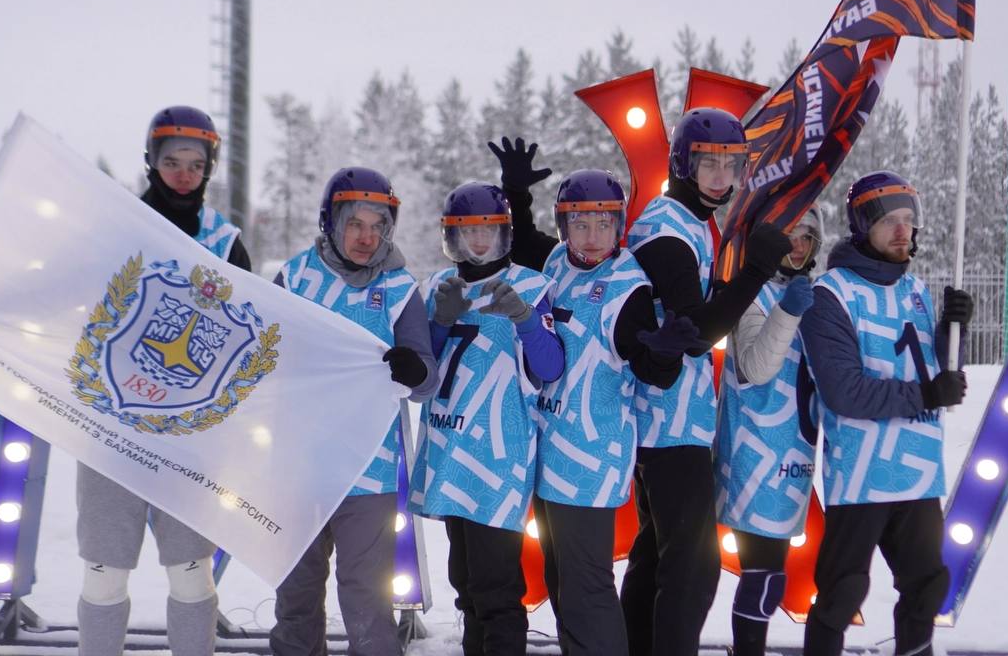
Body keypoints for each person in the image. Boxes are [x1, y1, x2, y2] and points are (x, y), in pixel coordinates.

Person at [489, 137, 710, 655]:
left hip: (590, 456)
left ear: (619, 226)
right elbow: (521, 240)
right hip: (549, 447)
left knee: (587, 586)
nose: (592, 236)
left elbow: (648, 368)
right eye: (581, 224)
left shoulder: (626, 285)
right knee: (563, 581)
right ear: (565, 227)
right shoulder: (558, 263)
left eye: (605, 224)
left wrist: (664, 354)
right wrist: (516, 194)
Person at [77, 105, 251, 656]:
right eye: (171, 161)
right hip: (112, 428)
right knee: (103, 577)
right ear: (152, 162)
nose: (182, 173)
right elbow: (60, 299)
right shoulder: (117, 224)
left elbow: (256, 333)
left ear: (208, 168)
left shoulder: (226, 242)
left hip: (188, 438)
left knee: (192, 576)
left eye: (194, 163)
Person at [617, 108, 792, 656]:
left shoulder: (690, 221)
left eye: (731, 164)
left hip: (673, 414)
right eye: (707, 163)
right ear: (682, 164)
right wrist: (758, 271)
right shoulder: (667, 229)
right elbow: (696, 332)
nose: (721, 176)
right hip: (665, 422)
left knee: (657, 552)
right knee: (693, 566)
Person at [799, 171, 972, 656]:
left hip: (917, 469)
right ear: (861, 226)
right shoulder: (830, 294)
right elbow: (845, 392)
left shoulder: (914, 289)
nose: (902, 231)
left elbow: (931, 372)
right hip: (863, 473)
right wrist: (927, 395)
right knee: (842, 593)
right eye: (888, 221)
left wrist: (951, 332)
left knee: (926, 590)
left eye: (908, 221)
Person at [269, 167, 439, 656]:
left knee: (367, 602)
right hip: (300, 467)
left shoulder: (400, 287)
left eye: (379, 226)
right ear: (331, 222)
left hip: (369, 470)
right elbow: (265, 355)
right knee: (296, 595)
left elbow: (426, 381)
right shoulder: (296, 276)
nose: (368, 237)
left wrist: (413, 370)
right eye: (356, 224)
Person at [408, 181, 565, 656]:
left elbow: (550, 368)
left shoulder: (532, 285)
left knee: (497, 589)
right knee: (467, 584)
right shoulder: (437, 285)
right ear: (451, 235)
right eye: (469, 230)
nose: (479, 241)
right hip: (450, 452)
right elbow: (423, 378)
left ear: (505, 234)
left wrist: (526, 321)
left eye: (489, 230)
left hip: (499, 457)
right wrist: (437, 323)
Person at [713, 206, 823, 656]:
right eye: (788, 236)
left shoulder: (813, 293)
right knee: (761, 577)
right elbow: (757, 368)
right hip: (751, 454)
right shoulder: (751, 294)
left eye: (808, 237)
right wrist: (790, 310)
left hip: (794, 453)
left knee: (771, 577)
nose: (798, 246)